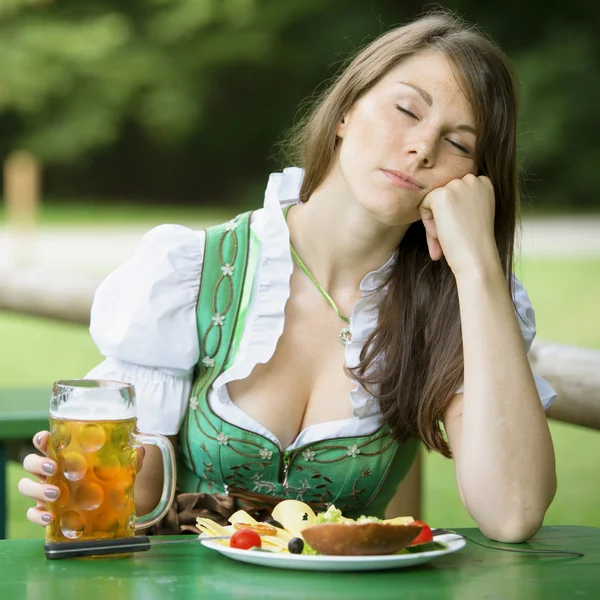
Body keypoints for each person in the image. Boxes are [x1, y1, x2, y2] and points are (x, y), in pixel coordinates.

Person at [18, 10, 557, 543]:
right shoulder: (189, 274)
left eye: (458, 144)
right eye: (406, 110)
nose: (421, 148)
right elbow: (137, 497)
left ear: (473, 182)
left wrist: (481, 269)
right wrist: (82, 486)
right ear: (346, 110)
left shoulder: (455, 305)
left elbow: (512, 512)